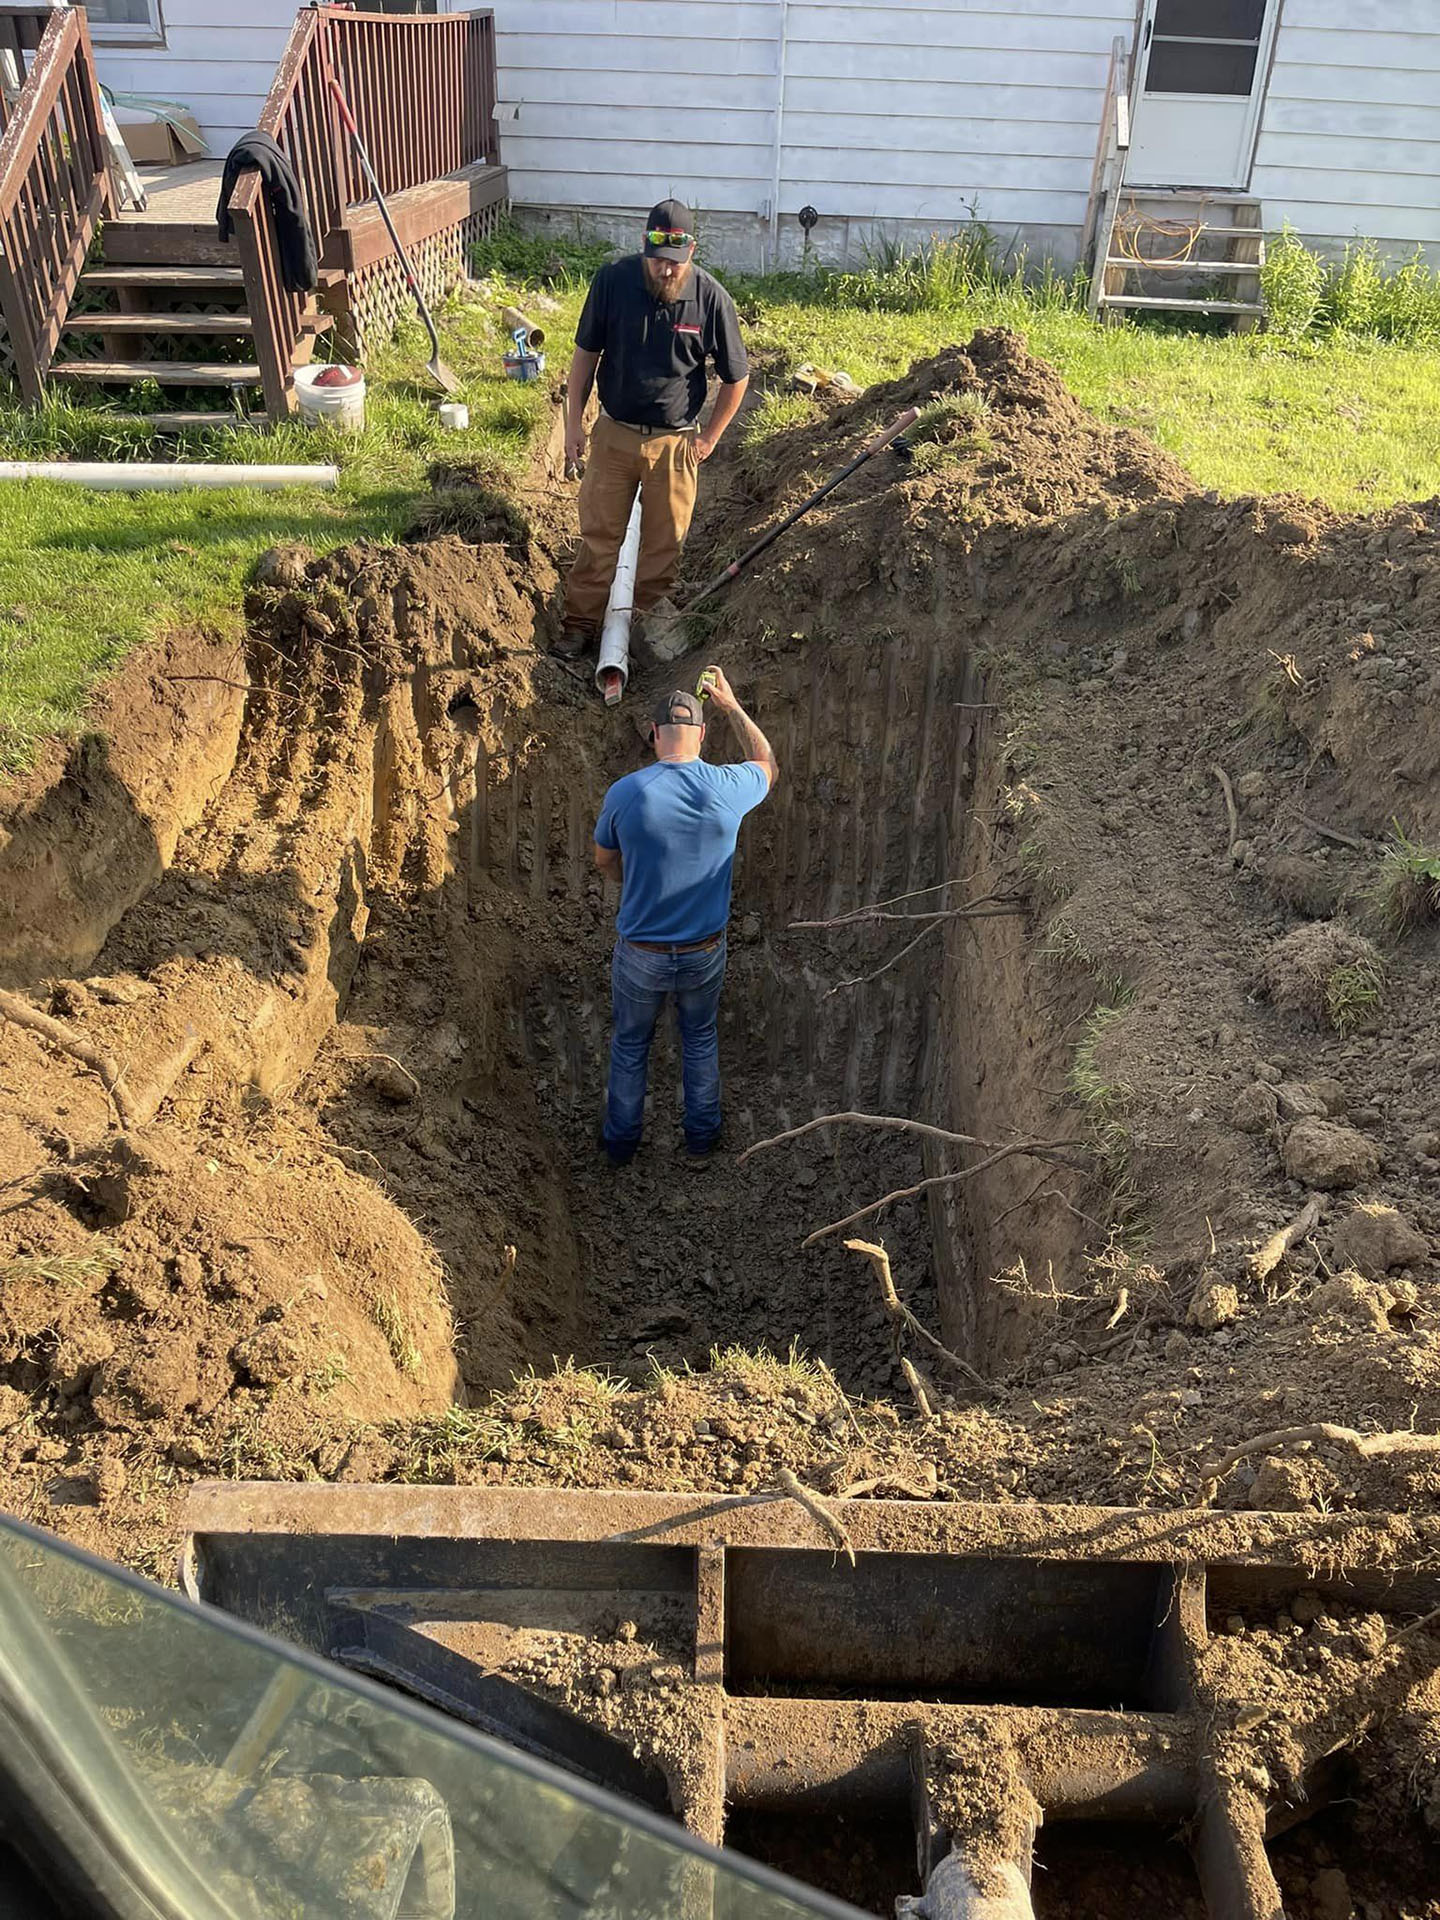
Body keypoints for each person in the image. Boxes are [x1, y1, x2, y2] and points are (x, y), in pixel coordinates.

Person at [592, 668, 777, 1166]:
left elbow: (604, 860)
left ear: (654, 735)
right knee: (699, 1038)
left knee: (631, 1044)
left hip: (641, 954)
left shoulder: (625, 793)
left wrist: (632, 885)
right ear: (702, 734)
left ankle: (621, 1147)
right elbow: (766, 762)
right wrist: (733, 707)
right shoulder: (728, 786)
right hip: (704, 951)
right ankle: (700, 1142)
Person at [556, 199, 749, 659]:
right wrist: (572, 426)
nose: (667, 272)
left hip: (677, 441)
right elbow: (585, 358)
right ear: (644, 248)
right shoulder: (612, 283)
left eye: (675, 264)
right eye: (659, 261)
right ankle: (580, 624)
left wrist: (709, 438)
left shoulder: (710, 298)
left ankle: (646, 625)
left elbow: (737, 378)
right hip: (615, 432)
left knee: (665, 542)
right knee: (600, 536)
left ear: (692, 252)